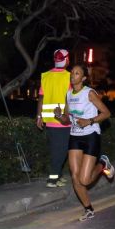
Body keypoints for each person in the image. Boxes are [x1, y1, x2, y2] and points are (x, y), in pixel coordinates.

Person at [54, 64, 115, 221]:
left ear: (83, 78)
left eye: (77, 73)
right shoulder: (68, 94)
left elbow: (107, 113)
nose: (73, 75)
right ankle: (89, 209)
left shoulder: (89, 93)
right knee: (75, 177)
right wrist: (59, 116)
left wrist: (90, 121)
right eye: (72, 73)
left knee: (85, 180)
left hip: (90, 136)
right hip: (75, 135)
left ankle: (102, 163)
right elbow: (67, 119)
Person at [36, 49, 72, 188]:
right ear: (67, 60)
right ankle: (52, 178)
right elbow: (70, 99)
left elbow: (41, 97)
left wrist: (39, 116)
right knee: (61, 151)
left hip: (49, 120)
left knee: (56, 149)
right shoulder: (69, 77)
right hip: (63, 119)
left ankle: (58, 176)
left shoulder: (45, 76)